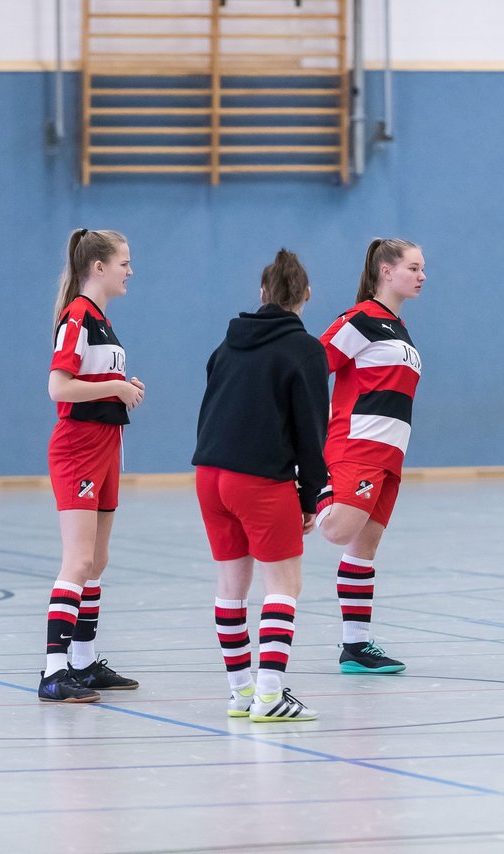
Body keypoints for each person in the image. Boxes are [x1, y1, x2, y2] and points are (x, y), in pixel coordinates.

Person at [192, 249, 329, 722]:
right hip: (259, 479)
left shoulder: (226, 345)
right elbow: (312, 431)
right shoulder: (306, 350)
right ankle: (270, 696)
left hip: (210, 475)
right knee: (283, 585)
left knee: (231, 585)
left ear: (262, 294)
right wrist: (312, 495)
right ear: (306, 295)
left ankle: (241, 692)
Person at [40, 228, 146, 703]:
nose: (131, 271)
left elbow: (94, 377)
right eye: (124, 262)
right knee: (78, 560)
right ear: (98, 267)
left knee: (97, 561)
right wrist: (114, 388)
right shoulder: (78, 317)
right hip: (78, 448)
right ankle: (53, 672)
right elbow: (59, 388)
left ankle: (83, 664)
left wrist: (121, 384)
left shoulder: (101, 320)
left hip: (106, 447)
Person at [313, 238, 425, 674]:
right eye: (414, 268)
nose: (421, 276)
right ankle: (308, 482)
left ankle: (355, 647)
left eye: (422, 270)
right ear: (386, 271)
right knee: (339, 529)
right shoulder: (361, 319)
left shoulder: (397, 327)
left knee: (366, 544)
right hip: (355, 448)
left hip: (390, 454)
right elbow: (310, 365)